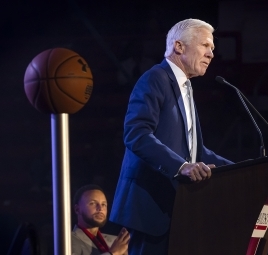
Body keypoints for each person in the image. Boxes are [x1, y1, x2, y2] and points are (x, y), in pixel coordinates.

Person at [109, 18, 234, 255]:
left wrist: (244, 169)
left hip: (177, 209)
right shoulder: (155, 78)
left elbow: (197, 151)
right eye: (205, 46)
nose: (211, 54)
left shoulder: (185, 87)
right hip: (151, 208)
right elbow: (137, 134)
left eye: (213, 49)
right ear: (179, 47)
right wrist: (181, 166)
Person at [72, 184, 130, 255]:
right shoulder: (68, 240)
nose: (100, 208)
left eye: (103, 204)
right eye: (92, 203)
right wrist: (113, 253)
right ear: (77, 209)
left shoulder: (115, 241)